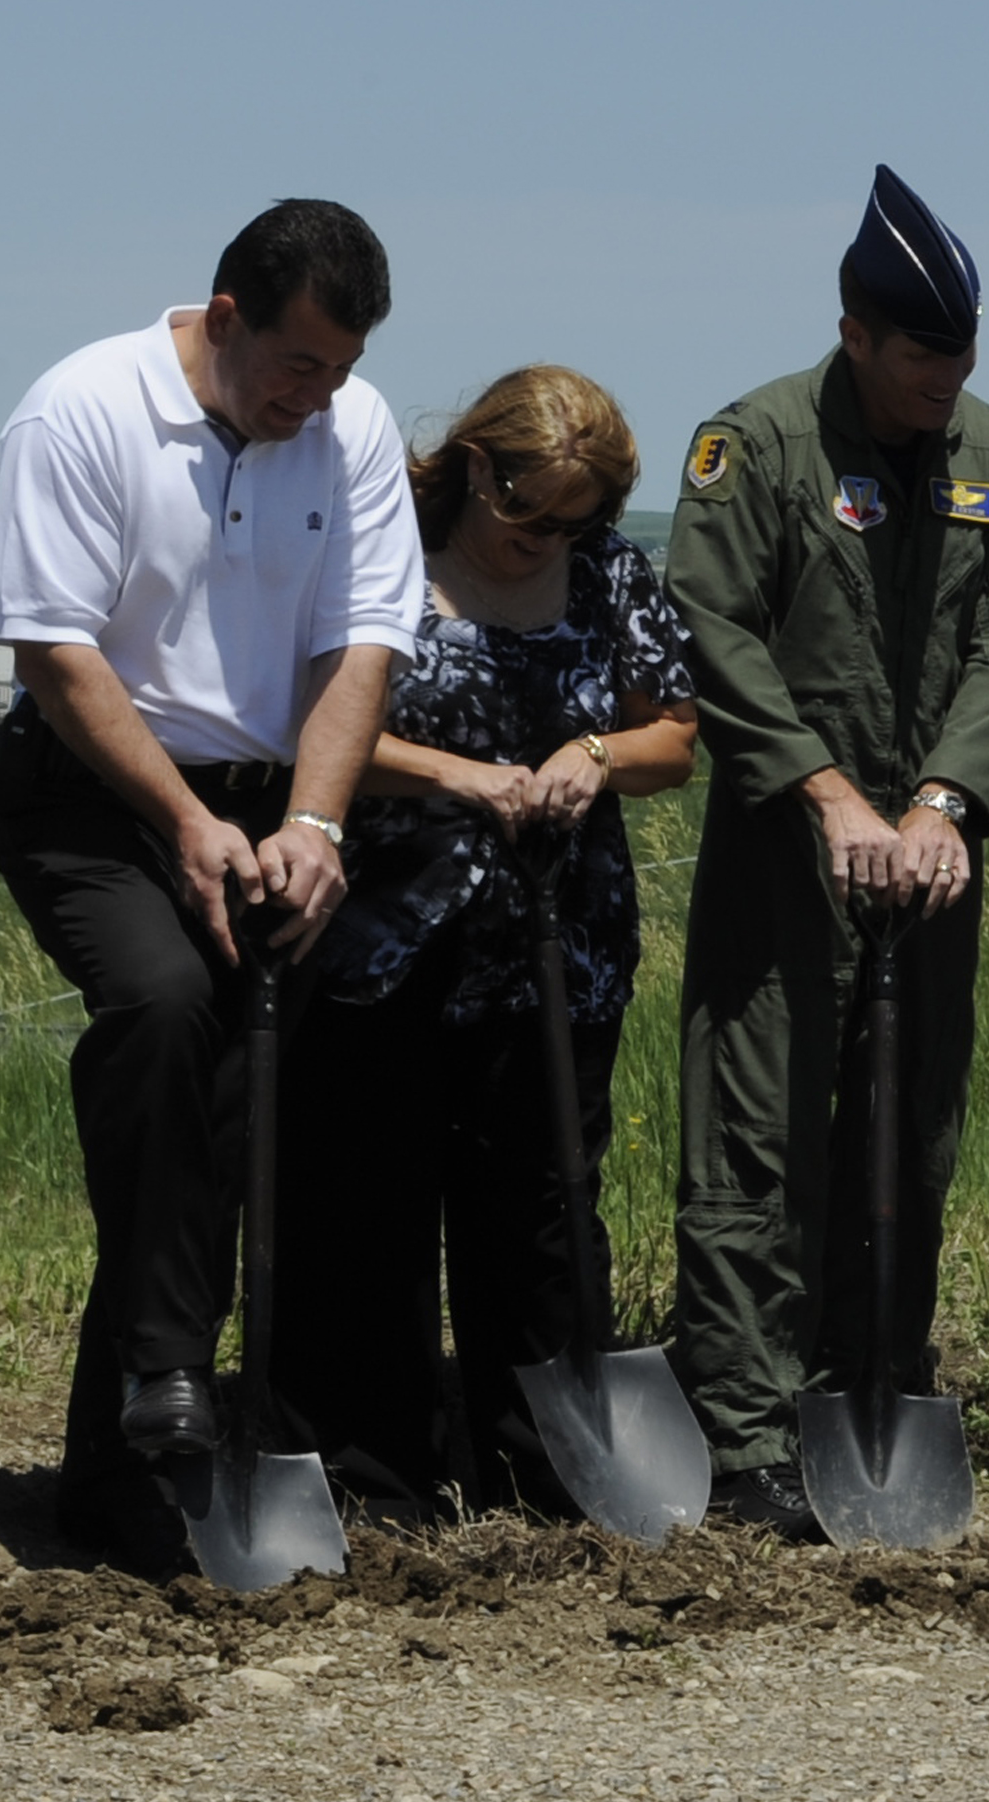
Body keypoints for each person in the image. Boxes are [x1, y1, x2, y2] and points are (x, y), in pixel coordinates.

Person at [0, 198, 423, 1567]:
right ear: (225, 319)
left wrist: (318, 826)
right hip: (93, 790)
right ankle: (171, 1367)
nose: (321, 397)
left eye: (342, 370)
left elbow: (361, 649)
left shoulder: (351, 430)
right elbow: (56, 656)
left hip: (263, 802)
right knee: (165, 1007)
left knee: (231, 1114)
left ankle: (142, 1463)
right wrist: (177, 819)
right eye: (298, 367)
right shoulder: (81, 412)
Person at [667, 165, 989, 1539]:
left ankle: (875, 1381)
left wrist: (944, 803)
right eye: (922, 358)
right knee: (760, 1141)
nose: (947, 382)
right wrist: (829, 795)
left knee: (912, 1131)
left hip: (933, 856)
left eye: (964, 354)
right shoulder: (754, 447)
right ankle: (751, 1430)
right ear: (858, 337)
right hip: (788, 842)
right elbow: (715, 632)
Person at [267, 366, 697, 1519]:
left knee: (543, 1205)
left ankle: (545, 1470)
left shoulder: (609, 572)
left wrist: (594, 756)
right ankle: (376, 1478)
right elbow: (304, 719)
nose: (549, 539)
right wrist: (459, 775)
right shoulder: (378, 552)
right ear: (472, 469)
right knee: (371, 1211)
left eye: (577, 520)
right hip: (382, 941)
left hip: (556, 942)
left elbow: (675, 734)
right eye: (530, 517)